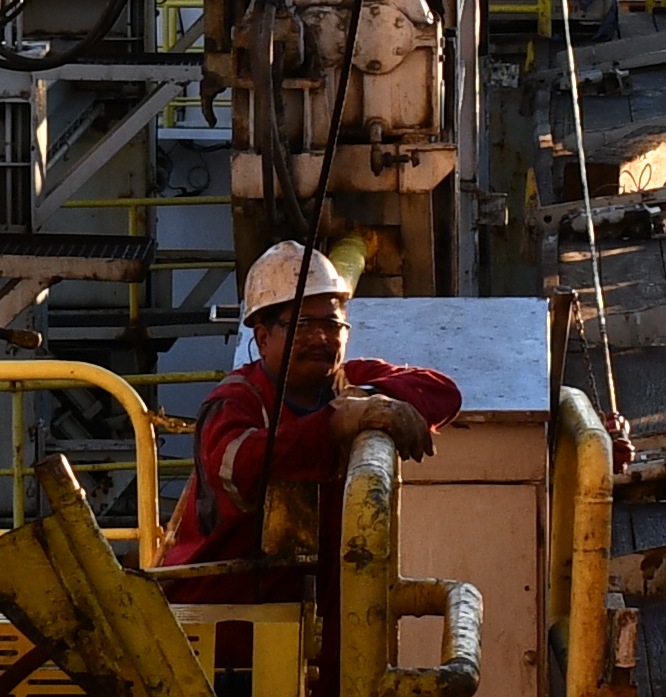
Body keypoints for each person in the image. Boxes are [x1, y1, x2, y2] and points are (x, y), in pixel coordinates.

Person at [169, 240, 458, 568]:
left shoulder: (347, 381)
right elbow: (242, 464)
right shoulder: (236, 401)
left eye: (332, 325)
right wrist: (333, 424)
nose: (320, 338)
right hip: (224, 602)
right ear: (263, 338)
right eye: (302, 326)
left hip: (322, 597)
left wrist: (366, 399)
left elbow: (443, 391)